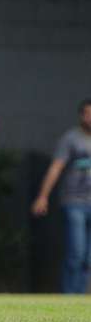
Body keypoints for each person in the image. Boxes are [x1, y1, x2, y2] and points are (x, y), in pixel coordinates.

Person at [32, 99, 91, 294]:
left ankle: (80, 296)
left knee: (88, 258)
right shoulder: (71, 139)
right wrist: (43, 196)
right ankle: (69, 295)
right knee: (76, 252)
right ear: (81, 115)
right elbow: (55, 168)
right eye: (87, 113)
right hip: (74, 202)